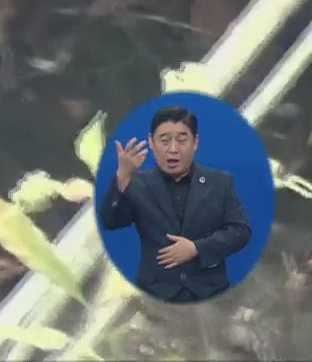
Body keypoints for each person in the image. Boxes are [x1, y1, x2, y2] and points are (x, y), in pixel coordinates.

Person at [99, 105, 252, 303]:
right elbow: (110, 222)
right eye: (164, 140)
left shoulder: (219, 182)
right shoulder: (137, 183)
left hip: (211, 296)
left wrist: (197, 248)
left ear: (195, 142)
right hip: (155, 296)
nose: (173, 149)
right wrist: (122, 177)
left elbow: (240, 231)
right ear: (151, 143)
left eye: (181, 140)